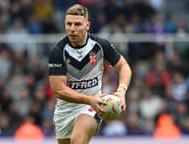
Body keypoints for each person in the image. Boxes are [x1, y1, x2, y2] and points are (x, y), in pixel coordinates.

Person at [48, 4, 132, 144]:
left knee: (78, 140)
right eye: (69, 24)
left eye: (77, 24)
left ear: (87, 25)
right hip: (65, 110)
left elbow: (124, 66)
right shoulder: (58, 51)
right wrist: (89, 99)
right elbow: (58, 90)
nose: (72, 29)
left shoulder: (100, 45)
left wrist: (121, 91)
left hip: (91, 107)